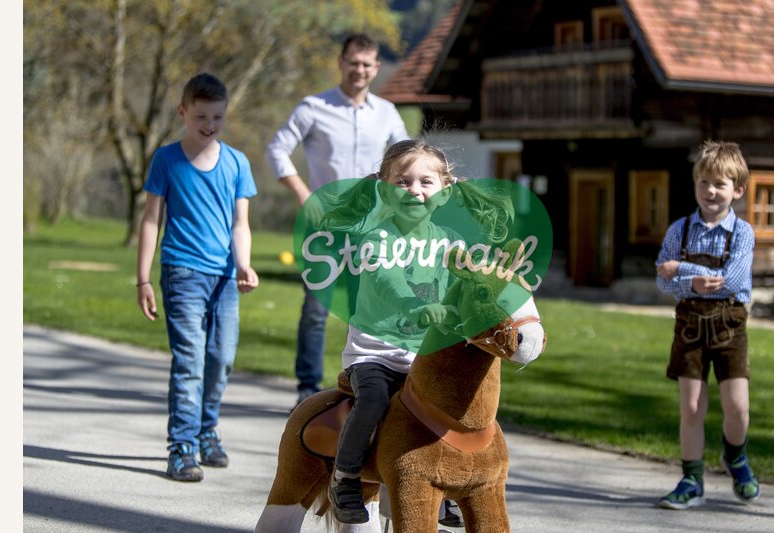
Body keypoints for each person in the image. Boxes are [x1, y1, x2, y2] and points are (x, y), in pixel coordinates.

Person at [311, 139, 511, 525]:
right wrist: (417, 307)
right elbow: (388, 283)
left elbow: (469, 282)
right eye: (402, 182)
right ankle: (346, 475)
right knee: (373, 400)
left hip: (424, 357)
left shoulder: (449, 243)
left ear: (444, 192)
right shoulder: (376, 239)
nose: (414, 191)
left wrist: (489, 280)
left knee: (458, 408)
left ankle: (450, 483)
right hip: (375, 355)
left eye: (425, 182)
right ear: (383, 188)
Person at [265, 33, 409, 408]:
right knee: (316, 309)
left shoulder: (387, 113)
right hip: (326, 227)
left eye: (367, 64)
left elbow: (407, 157)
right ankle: (307, 387)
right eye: (353, 62)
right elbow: (277, 148)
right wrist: (303, 195)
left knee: (370, 309)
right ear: (341, 62)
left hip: (374, 227)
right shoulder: (314, 107)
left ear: (376, 68)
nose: (359, 70)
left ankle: (367, 384)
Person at [136, 73, 259, 482]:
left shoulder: (237, 163)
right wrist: (143, 278)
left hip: (225, 277)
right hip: (182, 272)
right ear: (183, 112)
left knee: (221, 359)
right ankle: (182, 446)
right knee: (189, 361)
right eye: (201, 116)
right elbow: (152, 219)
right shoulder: (167, 159)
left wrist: (244, 263)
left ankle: (208, 430)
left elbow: (240, 223)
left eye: (217, 117)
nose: (209, 125)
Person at [655, 140, 760, 509]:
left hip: (730, 328)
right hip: (689, 328)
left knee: (738, 407)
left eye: (720, 184)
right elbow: (662, 280)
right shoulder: (679, 230)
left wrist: (683, 269)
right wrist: (689, 282)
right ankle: (692, 479)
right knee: (692, 408)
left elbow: (730, 281)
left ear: (738, 190)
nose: (711, 191)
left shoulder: (743, 233)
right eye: (704, 183)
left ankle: (735, 456)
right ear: (695, 184)